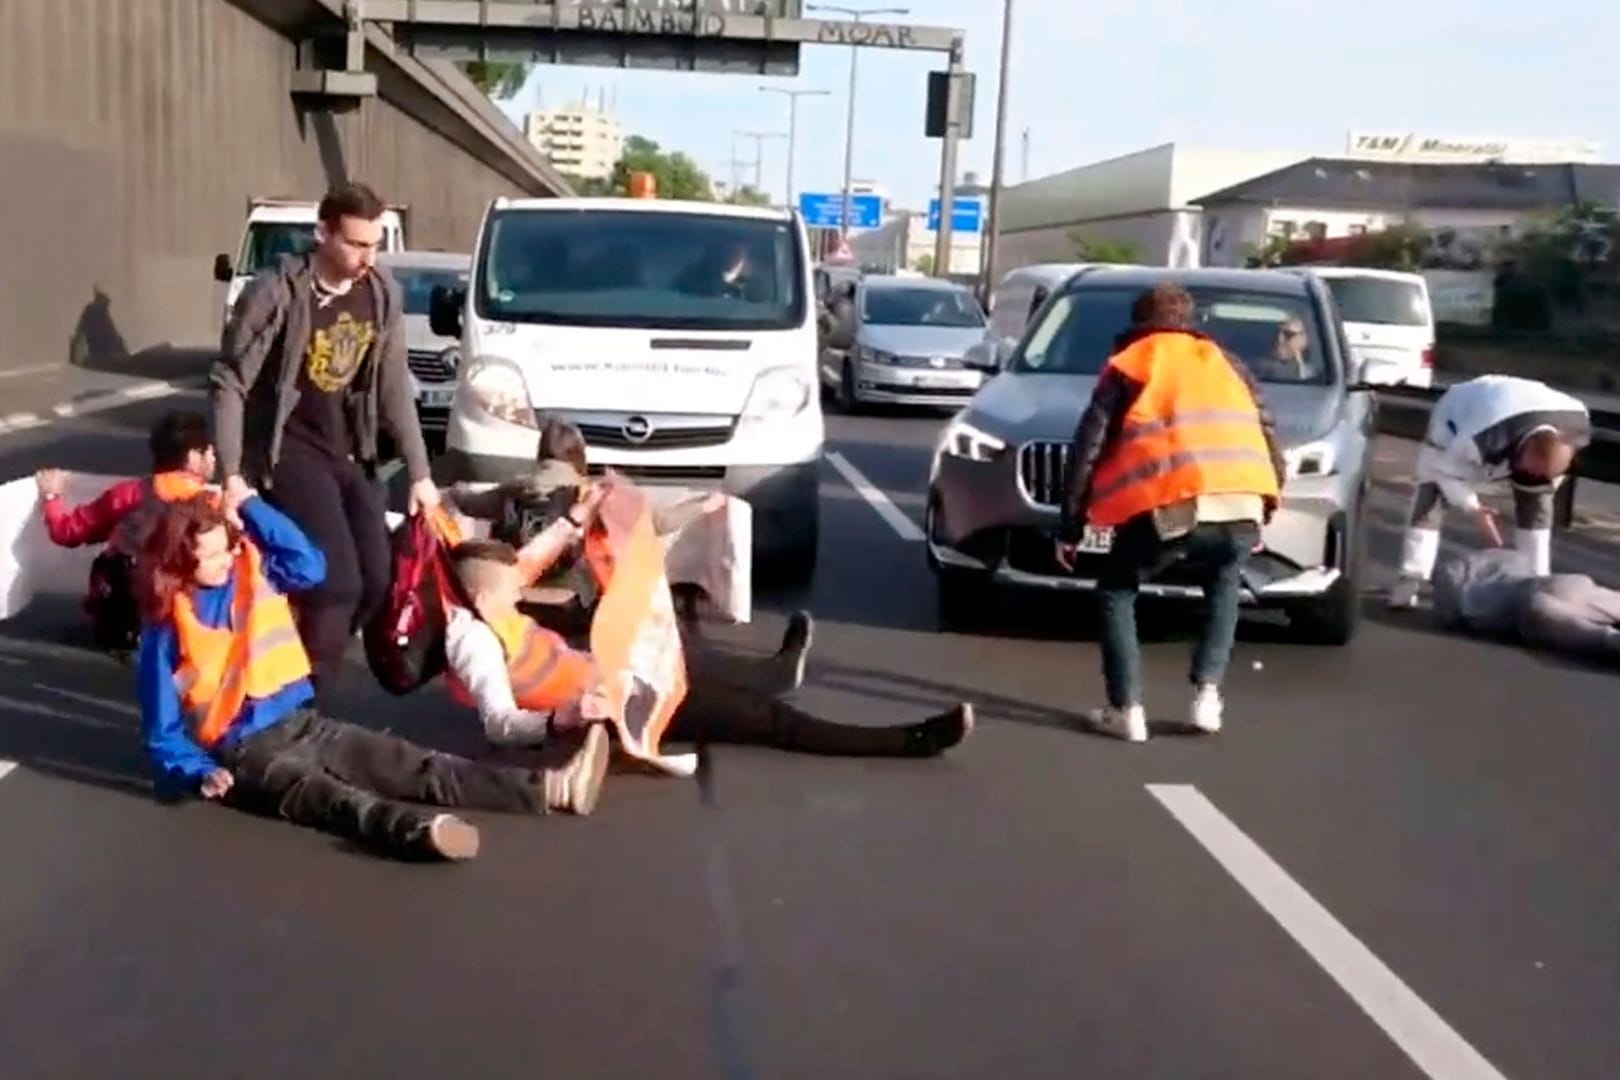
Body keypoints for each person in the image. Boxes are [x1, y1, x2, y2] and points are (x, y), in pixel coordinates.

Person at [135, 491, 608, 862]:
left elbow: (309, 564)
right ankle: (423, 833)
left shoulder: (255, 573)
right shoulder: (167, 630)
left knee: (414, 764)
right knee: (337, 802)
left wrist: (250, 506)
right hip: (244, 750)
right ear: (181, 561)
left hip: (302, 722)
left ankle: (550, 789)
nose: (225, 560)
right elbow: (163, 733)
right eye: (210, 557)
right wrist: (198, 772)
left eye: (227, 547)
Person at [442, 528, 972, 758]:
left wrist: (579, 519)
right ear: (486, 598)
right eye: (513, 587)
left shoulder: (498, 606)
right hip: (621, 710)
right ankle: (912, 740)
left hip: (618, 675)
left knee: (686, 656)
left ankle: (778, 670)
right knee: (760, 718)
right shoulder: (479, 645)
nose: (523, 586)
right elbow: (499, 725)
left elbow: (524, 561)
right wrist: (567, 717)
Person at [210, 181, 439, 696]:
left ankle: (296, 651)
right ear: (323, 234)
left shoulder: (381, 294)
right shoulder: (278, 290)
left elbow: (393, 387)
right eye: (355, 244)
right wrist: (231, 475)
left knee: (377, 580)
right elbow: (229, 380)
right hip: (286, 449)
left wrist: (420, 474)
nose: (366, 257)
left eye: (374, 245)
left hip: (349, 449)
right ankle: (299, 702)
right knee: (337, 583)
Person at [1057, 281, 1285, 742]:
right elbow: (1266, 433)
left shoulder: (1131, 363)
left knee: (1117, 589)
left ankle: (1127, 709)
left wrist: (1071, 524)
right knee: (1224, 583)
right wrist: (1265, 504)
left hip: (1172, 501)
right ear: (1190, 322)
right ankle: (1207, 698)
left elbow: (1089, 445)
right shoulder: (1229, 365)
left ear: (1139, 323)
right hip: (1242, 498)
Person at [449, 418, 726, 637]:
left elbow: (467, 503)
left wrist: (454, 488)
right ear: (579, 455)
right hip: (575, 607)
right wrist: (704, 505)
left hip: (515, 601)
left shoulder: (512, 490)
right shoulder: (594, 495)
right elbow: (660, 523)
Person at [1389, 374, 1590, 609]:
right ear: (1523, 449)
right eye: (1528, 470)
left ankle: (1536, 582)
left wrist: (1540, 483)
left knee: (1537, 501)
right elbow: (1444, 472)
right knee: (1432, 492)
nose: (1528, 477)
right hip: (1459, 412)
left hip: (1527, 405)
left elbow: (1547, 478)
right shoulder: (1480, 438)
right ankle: (1410, 580)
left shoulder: (1578, 426)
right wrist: (1473, 509)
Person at [35, 411, 216, 650]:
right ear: (194, 456)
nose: (214, 458)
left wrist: (51, 496)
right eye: (210, 451)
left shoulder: (129, 494)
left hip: (124, 617)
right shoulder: (213, 504)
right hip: (193, 626)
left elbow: (67, 532)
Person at [1433, 548, 1620, 664]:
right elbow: (1523, 563)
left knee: (1595, 635)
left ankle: (1613, 640)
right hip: (1561, 582)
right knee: (1606, 602)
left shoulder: (1451, 576)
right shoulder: (1506, 558)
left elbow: (1451, 616)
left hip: (1526, 608)